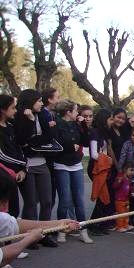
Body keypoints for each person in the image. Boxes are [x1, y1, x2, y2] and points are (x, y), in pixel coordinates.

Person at [13, 89, 57, 248]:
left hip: (42, 162)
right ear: (30, 102)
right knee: (31, 202)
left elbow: (48, 136)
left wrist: (33, 143)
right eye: (38, 101)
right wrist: (30, 121)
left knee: (47, 201)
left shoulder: (43, 115)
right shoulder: (19, 117)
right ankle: (29, 237)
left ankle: (43, 234)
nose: (42, 103)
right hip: (27, 165)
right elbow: (21, 140)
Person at [53, 100, 93, 244]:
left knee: (79, 200)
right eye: (76, 110)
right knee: (64, 200)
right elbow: (57, 143)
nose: (78, 113)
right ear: (68, 112)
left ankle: (83, 230)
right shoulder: (56, 124)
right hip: (61, 165)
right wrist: (71, 146)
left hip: (76, 164)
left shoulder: (77, 124)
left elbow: (86, 141)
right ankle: (62, 230)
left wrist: (83, 124)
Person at [0, 95, 26, 218]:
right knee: (5, 212)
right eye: (13, 108)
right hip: (3, 176)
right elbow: (3, 155)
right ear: (3, 110)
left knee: (14, 211)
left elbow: (19, 148)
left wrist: (22, 169)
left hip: (13, 175)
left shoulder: (10, 126)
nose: (15, 110)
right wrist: (23, 164)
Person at [112, 162, 134, 232]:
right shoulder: (120, 177)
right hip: (119, 200)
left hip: (126, 199)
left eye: (133, 171)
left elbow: (130, 188)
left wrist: (133, 191)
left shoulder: (128, 179)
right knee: (121, 214)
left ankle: (126, 225)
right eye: (131, 170)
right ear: (125, 170)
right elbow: (115, 186)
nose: (133, 172)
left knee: (126, 213)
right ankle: (119, 226)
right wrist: (119, 181)